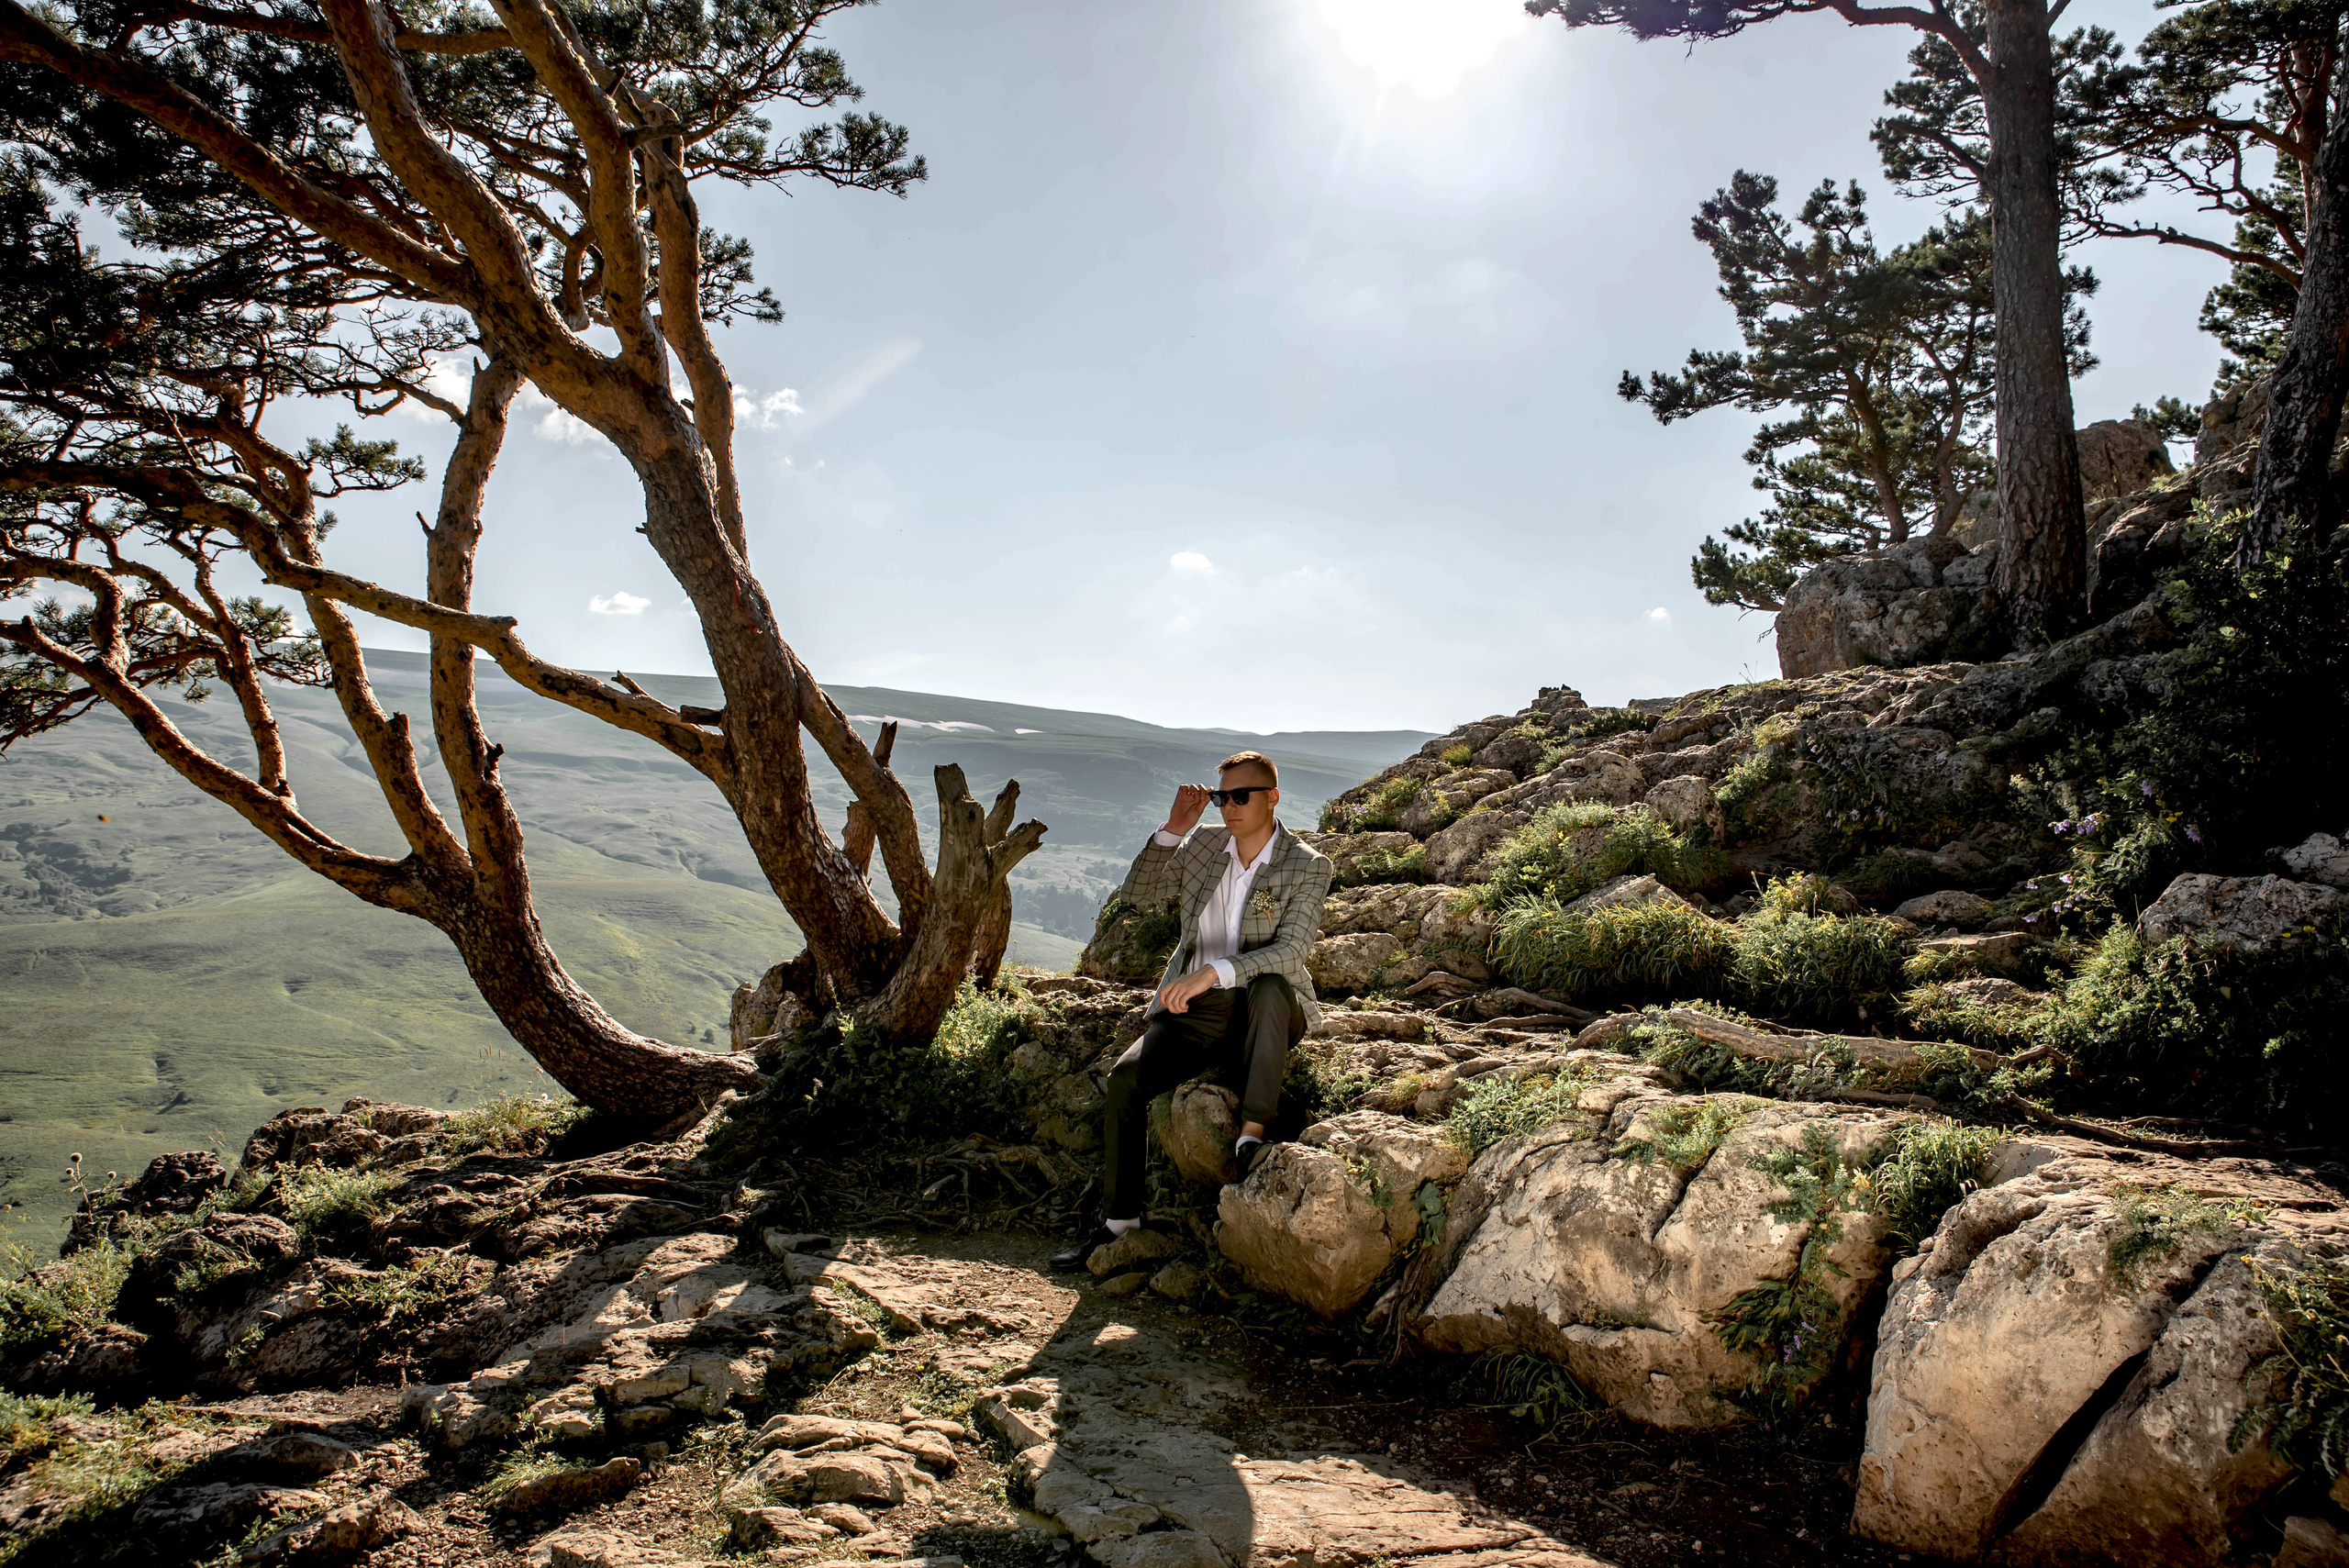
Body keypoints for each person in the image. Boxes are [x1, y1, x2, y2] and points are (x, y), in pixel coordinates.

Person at [1050, 750, 1334, 1272]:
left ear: (1272, 797)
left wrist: (1214, 971)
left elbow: (1292, 951)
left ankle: (1251, 1135)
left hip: (1267, 1010)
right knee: (1125, 1081)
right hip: (1198, 1008)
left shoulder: (1307, 863)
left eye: (1241, 796)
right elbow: (1137, 897)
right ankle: (1119, 1223)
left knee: (1272, 986)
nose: (1229, 807)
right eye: (1222, 797)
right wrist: (1174, 830)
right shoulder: (1204, 843)